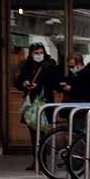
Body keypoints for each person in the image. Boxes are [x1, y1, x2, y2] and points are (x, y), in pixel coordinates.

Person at [16, 42, 61, 170]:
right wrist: (24, 83)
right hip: (31, 103)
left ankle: (43, 162)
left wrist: (39, 84)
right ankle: (36, 160)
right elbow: (18, 82)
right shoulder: (27, 65)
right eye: (36, 53)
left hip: (45, 102)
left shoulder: (50, 65)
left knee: (43, 133)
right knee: (33, 133)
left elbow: (55, 83)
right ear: (31, 54)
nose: (39, 55)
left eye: (41, 52)